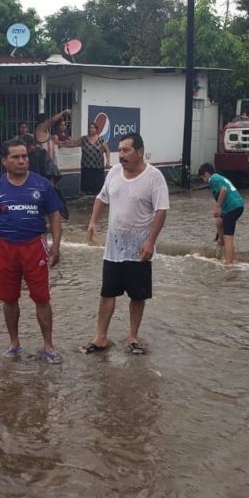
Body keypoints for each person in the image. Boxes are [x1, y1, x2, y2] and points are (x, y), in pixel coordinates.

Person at [0, 138, 64, 364]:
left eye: (24, 156)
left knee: (42, 298)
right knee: (9, 298)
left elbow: (55, 216)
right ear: (4, 161)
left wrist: (56, 246)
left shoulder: (42, 185)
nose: (21, 161)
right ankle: (14, 343)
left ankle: (48, 345)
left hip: (35, 247)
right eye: (15, 157)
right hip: (5, 248)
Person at [81, 133, 169, 356]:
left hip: (139, 249)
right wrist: (93, 222)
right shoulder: (114, 173)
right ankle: (101, 337)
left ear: (140, 152)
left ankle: (132, 336)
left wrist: (151, 241)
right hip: (113, 249)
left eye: (126, 150)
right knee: (107, 293)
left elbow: (161, 211)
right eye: (119, 150)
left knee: (137, 296)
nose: (121, 155)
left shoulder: (154, 177)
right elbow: (101, 198)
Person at [197, 163, 244, 265]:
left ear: (206, 174)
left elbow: (223, 190)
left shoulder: (213, 179)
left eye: (202, 178)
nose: (203, 181)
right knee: (219, 221)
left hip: (232, 208)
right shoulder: (219, 177)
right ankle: (221, 244)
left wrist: (217, 206)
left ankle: (229, 265)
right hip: (237, 205)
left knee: (228, 238)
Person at [79, 122, 111, 194]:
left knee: (98, 188)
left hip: (98, 167)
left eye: (92, 128)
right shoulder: (83, 139)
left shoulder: (101, 140)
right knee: (86, 188)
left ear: (96, 129)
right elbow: (73, 143)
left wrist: (108, 161)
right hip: (86, 167)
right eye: (89, 128)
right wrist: (60, 143)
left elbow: (107, 151)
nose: (91, 129)